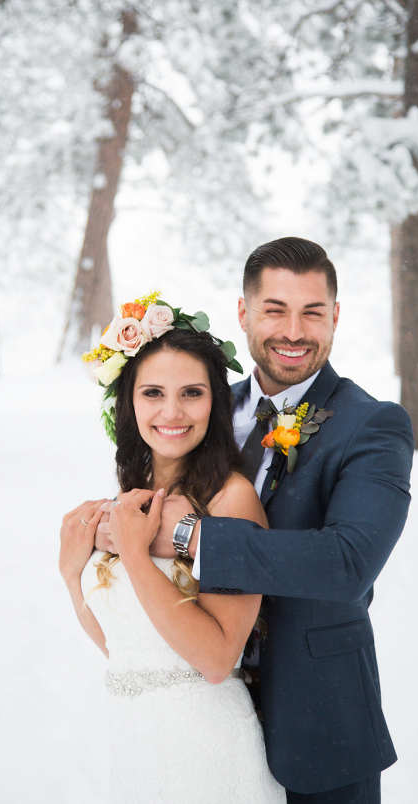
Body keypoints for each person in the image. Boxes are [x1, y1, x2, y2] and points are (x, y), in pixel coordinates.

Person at [122, 238, 415, 804]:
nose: (294, 331)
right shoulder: (199, 405)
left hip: (318, 723)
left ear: (336, 315)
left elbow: (346, 563)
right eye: (275, 309)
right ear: (242, 313)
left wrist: (190, 538)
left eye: (313, 311)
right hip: (204, 717)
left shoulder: (373, 425)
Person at [59, 298, 285, 804]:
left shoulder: (231, 500)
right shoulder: (129, 497)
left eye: (192, 393)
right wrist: (71, 575)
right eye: (153, 393)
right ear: (128, 401)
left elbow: (216, 658)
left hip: (205, 749)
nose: (172, 412)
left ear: (216, 403)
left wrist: (137, 557)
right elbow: (124, 645)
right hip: (136, 745)